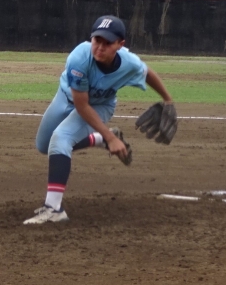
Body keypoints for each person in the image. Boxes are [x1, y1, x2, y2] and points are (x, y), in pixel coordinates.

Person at [24, 15, 175, 225]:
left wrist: (168, 101)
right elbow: (81, 105)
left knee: (61, 138)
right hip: (66, 98)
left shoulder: (128, 62)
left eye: (108, 43)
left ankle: (54, 209)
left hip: (101, 106)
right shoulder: (79, 58)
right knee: (44, 145)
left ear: (120, 44)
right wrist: (109, 137)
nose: (100, 47)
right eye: (97, 40)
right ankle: (102, 139)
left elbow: (147, 72)